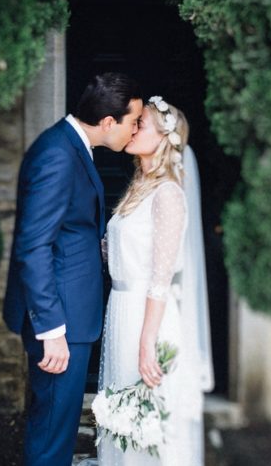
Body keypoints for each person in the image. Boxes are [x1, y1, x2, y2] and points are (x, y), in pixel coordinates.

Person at [3, 73, 143, 466]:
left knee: (57, 430)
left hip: (69, 311)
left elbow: (67, 229)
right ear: (109, 122)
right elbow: (34, 247)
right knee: (51, 435)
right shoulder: (58, 154)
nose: (134, 131)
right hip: (59, 319)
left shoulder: (69, 146)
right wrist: (51, 330)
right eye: (132, 122)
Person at [98, 96, 214, 466]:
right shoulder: (138, 187)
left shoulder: (168, 195)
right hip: (122, 310)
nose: (132, 127)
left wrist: (147, 341)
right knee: (124, 422)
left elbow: (160, 279)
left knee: (150, 425)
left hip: (149, 319)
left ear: (165, 138)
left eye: (141, 123)